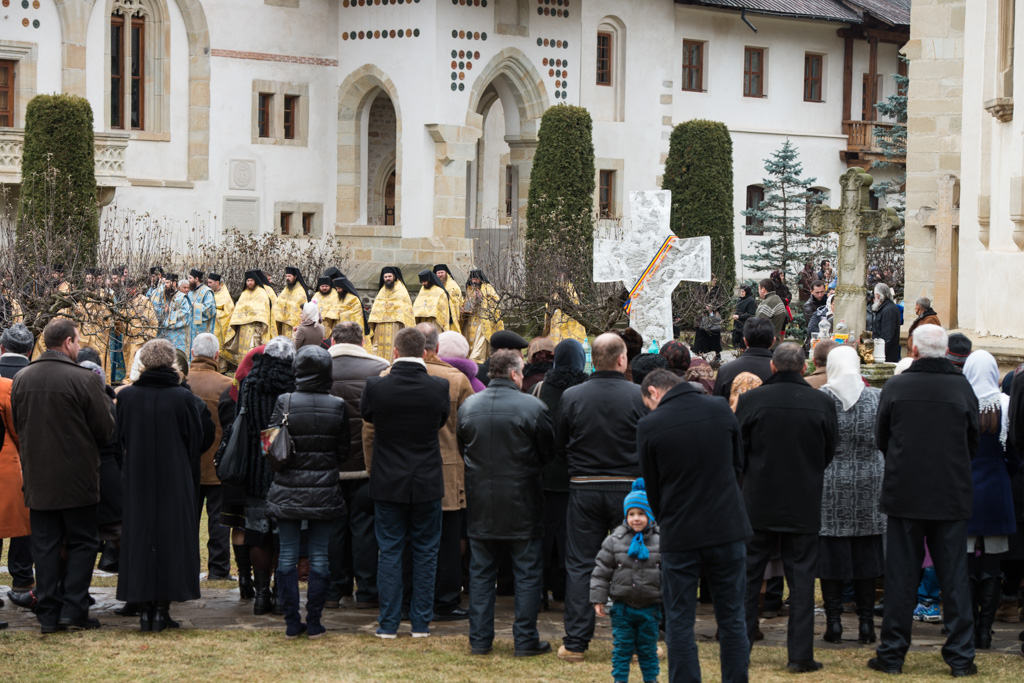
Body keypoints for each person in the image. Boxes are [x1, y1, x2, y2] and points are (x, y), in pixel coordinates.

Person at [869, 324, 980, 677]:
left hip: (906, 492)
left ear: (913, 350)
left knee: (901, 578)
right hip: (948, 494)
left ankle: (892, 654)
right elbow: (972, 441)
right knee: (955, 579)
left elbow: (882, 438)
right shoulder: (961, 388)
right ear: (944, 351)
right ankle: (961, 657)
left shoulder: (898, 386)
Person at [638, 369, 752, 683]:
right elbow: (737, 464)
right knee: (731, 617)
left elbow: (652, 485)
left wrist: (666, 516)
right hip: (727, 525)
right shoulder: (719, 408)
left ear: (654, 392)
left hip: (680, 529)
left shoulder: (650, 425)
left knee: (679, 620)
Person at [735, 342, 838, 673]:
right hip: (802, 500)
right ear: (803, 367)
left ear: (774, 368)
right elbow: (827, 451)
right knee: (803, 580)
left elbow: (739, 451)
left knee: (749, 577)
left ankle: (741, 643)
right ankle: (800, 655)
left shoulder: (751, 401)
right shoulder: (821, 402)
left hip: (758, 501)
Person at [11, 319, 116, 632]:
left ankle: (48, 613)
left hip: (38, 478)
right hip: (77, 477)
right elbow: (105, 428)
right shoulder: (84, 380)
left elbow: (19, 424)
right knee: (83, 541)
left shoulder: (22, 378)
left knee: (44, 545)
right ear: (69, 342)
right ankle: (73, 608)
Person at [556, 333, 647, 662]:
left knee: (581, 565)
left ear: (594, 359)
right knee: (635, 563)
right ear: (622, 359)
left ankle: (576, 642)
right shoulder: (639, 396)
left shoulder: (572, 396)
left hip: (585, 485)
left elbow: (560, 441)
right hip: (628, 488)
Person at [458, 349, 554, 657]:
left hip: (481, 501)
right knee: (527, 573)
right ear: (514, 374)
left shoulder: (469, 406)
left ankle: (480, 640)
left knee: (482, 573)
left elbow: (465, 449)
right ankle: (525, 640)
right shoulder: (533, 407)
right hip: (522, 500)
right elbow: (547, 453)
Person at [360, 327, 450, 639]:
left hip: (388, 479)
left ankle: (388, 623)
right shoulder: (439, 387)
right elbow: (439, 422)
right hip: (426, 479)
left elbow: (369, 418)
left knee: (390, 551)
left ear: (395, 353)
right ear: (425, 353)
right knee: (426, 551)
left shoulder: (376, 387)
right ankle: (421, 623)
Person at [115, 339, 205, 631]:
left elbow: (120, 438)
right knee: (171, 538)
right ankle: (162, 608)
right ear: (172, 364)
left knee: (140, 537)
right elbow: (196, 440)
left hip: (138, 476)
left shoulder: (127, 397)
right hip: (174, 476)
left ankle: (144, 609)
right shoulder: (183, 398)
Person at [267, 345, 348, 640]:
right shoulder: (337, 405)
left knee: (287, 555)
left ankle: (291, 621)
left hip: (288, 488)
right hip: (325, 488)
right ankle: (313, 621)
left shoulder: (284, 401)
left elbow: (270, 446)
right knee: (320, 556)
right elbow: (343, 450)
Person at [817, 345, 886, 646]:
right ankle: (867, 624)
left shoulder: (821, 400)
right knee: (866, 554)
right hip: (870, 482)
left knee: (831, 554)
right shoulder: (876, 397)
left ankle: (833, 623)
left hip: (830, 482)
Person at [328, 321, 390, 610]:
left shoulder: (317, 365)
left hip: (329, 463)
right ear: (362, 341)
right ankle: (367, 589)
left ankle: (335, 588)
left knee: (334, 528)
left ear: (332, 340)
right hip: (368, 463)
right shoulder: (379, 367)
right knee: (365, 528)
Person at [962, 350, 1020, 649]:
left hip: (967, 489)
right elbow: (1015, 454)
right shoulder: (1006, 404)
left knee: (969, 563)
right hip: (997, 488)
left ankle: (972, 628)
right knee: (993, 565)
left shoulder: (961, 404)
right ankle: (985, 631)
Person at [416, 322, 473, 621]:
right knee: (449, 539)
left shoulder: (389, 375)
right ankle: (446, 600)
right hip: (450, 468)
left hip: (408, 470)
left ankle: (413, 597)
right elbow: (468, 428)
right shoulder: (457, 379)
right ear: (436, 348)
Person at [238, 336, 297, 615]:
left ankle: (261, 596)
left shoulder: (249, 384)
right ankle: (278, 592)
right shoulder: (294, 385)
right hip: (286, 466)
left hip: (255, 467)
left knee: (258, 533)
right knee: (283, 535)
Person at [590, 479, 663, 683]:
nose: (636, 519)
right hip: (622, 608)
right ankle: (619, 680)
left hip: (650, 609)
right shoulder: (614, 540)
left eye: (641, 514)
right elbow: (601, 571)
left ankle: (651, 679)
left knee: (648, 650)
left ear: (650, 515)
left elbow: (669, 574)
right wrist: (598, 598)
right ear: (625, 516)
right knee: (622, 649)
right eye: (631, 514)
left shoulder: (661, 541)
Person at [537, 339, 588, 609]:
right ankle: (567, 590)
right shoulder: (586, 388)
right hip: (577, 473)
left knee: (545, 535)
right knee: (573, 537)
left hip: (545, 473)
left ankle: (541, 589)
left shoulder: (540, 388)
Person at [188, 332, 234, 581]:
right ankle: (219, 569)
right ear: (217, 355)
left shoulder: (180, 381)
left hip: (188, 465)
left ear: (193, 353)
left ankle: (187, 566)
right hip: (218, 465)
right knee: (218, 521)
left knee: (187, 520)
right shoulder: (226, 385)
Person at [0, 324, 35, 620]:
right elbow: (19, 428)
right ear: (30, 350)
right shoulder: (28, 379)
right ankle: (23, 580)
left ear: (1, 348)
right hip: (18, 463)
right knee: (23, 527)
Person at [713, 317, 775, 402]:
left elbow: (717, 407)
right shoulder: (780, 372)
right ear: (773, 341)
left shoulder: (725, 371)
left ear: (745, 341)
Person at [223, 271, 273, 367]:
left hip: (255, 328)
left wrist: (252, 315)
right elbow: (238, 309)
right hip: (243, 327)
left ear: (255, 281)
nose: (249, 283)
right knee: (243, 351)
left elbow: (263, 309)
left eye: (251, 281)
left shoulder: (261, 292)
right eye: (247, 281)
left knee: (253, 350)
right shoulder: (244, 293)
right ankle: (242, 369)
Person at [368, 267, 415, 361]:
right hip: (381, 323)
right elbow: (377, 306)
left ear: (394, 277)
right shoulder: (382, 290)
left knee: (394, 345)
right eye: (385, 277)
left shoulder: (401, 289)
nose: (387, 278)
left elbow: (404, 308)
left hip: (395, 324)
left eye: (389, 276)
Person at [462, 269, 503, 362]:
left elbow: (496, 302)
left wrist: (482, 298)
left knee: (480, 339)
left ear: (480, 279)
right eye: (472, 279)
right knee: (469, 337)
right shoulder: (470, 288)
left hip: (483, 319)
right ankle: (469, 356)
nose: (474, 281)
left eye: (476, 279)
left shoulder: (488, 288)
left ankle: (477, 358)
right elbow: (467, 303)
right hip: (471, 319)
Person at [152, 274, 192, 357]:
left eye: (167, 283)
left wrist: (169, 312)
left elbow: (186, 316)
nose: (165, 285)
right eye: (164, 283)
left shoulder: (182, 298)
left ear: (174, 283)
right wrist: (163, 311)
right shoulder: (163, 296)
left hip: (177, 338)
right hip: (163, 336)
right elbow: (154, 310)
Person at [275, 267, 311, 337]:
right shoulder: (286, 289)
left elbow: (300, 306)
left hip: (293, 324)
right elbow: (278, 302)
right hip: (283, 322)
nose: (287, 278)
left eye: (289, 276)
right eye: (286, 276)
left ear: (295, 277)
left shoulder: (300, 291)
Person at [871, 283, 901, 362]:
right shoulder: (886, 308)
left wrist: (879, 356)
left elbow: (887, 337)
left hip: (886, 357)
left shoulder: (889, 310)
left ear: (877, 296)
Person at [207, 273, 234, 357]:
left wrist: (215, 313)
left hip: (221, 325)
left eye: (210, 283)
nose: (208, 285)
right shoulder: (209, 293)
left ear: (217, 282)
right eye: (208, 282)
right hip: (210, 325)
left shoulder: (224, 295)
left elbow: (229, 311)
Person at [186, 269, 217, 339]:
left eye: (190, 278)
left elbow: (210, 310)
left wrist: (195, 306)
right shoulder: (191, 291)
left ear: (196, 279)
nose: (188, 280)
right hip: (190, 327)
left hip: (202, 328)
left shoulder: (207, 292)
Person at [755, 278, 787, 343]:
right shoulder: (777, 299)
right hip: (775, 342)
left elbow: (756, 325)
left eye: (759, 288)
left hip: (766, 344)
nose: (758, 291)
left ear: (763, 290)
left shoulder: (768, 303)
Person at [434, 264, 463, 334]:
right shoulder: (433, 285)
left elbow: (457, 299)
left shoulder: (453, 285)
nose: (440, 275)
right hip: (437, 315)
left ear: (446, 273)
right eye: (438, 273)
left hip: (449, 315)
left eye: (442, 273)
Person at [802, 280, 828, 345]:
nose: (820, 295)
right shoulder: (808, 306)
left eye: (822, 292)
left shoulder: (827, 300)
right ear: (811, 291)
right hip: (814, 337)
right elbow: (814, 324)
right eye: (817, 292)